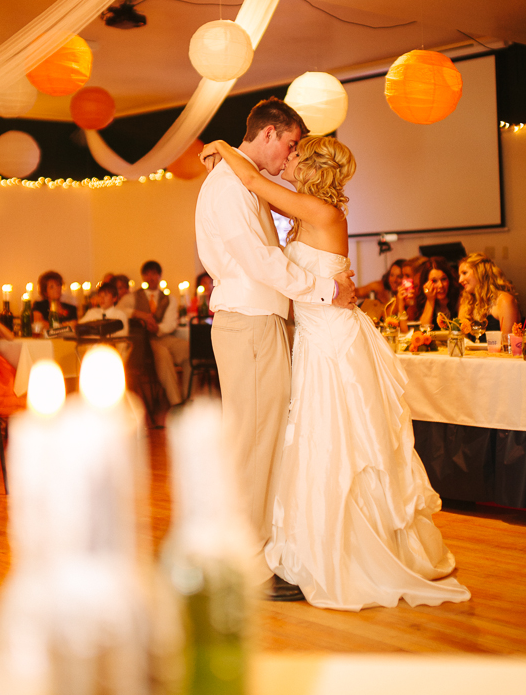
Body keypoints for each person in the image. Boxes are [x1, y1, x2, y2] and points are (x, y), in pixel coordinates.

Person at [200, 133, 470, 610]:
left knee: (339, 444)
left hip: (331, 344)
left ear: (313, 167)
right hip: (313, 340)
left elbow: (248, 178)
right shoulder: (307, 212)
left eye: (297, 156)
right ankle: (307, 546)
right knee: (314, 443)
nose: (289, 160)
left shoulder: (321, 214)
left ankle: (348, 552)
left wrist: (222, 144)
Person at [195, 97, 356, 601]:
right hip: (249, 323)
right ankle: (248, 567)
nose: (290, 158)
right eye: (288, 144)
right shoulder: (228, 188)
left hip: (256, 323)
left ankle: (256, 553)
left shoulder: (235, 179)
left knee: (259, 441)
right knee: (253, 442)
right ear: (268, 134)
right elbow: (262, 263)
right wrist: (328, 291)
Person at [132, 260, 190, 407]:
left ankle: (189, 397)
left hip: (163, 335)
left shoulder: (169, 299)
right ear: (143, 276)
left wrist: (158, 328)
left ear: (159, 276)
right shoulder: (134, 297)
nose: (150, 277)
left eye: (154, 274)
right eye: (147, 274)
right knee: (163, 354)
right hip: (144, 340)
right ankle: (176, 402)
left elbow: (170, 323)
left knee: (189, 349)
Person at [458, 252, 521, 335]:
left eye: (464, 273)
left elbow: (508, 343)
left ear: (480, 272)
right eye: (459, 275)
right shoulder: (467, 301)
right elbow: (459, 337)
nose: (460, 280)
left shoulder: (504, 301)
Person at [415, 258, 461, 330]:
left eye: (444, 279)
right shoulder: (422, 301)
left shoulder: (459, 296)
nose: (441, 285)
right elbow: (423, 330)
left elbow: (461, 330)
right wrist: (430, 300)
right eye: (434, 281)